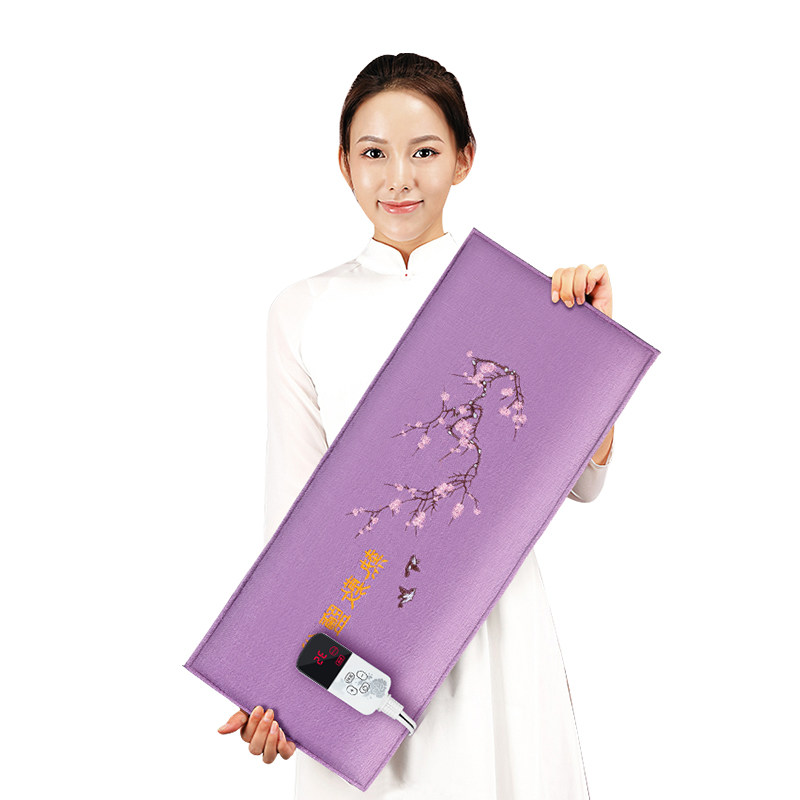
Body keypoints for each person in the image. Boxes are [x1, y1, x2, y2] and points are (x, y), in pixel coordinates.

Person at [217, 53, 615, 799]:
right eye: (374, 154)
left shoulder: (523, 301)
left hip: (491, 621)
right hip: (365, 632)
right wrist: (276, 679)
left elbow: (584, 483)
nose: (398, 178)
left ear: (464, 159)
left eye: (424, 152)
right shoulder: (303, 311)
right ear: (344, 164)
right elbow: (292, 512)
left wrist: (592, 348)